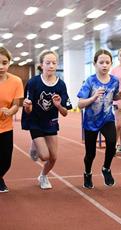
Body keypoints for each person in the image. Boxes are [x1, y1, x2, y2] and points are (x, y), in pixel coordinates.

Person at [22, 50, 72, 190]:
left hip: (51, 122)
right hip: (35, 121)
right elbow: (28, 110)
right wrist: (28, 106)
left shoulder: (61, 85)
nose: (51, 65)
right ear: (41, 65)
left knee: (54, 157)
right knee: (44, 156)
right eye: (48, 62)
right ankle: (35, 143)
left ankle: (43, 176)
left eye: (54, 63)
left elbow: (65, 113)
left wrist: (58, 105)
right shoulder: (33, 83)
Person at [77, 49, 121, 189]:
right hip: (90, 122)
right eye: (101, 62)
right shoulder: (90, 81)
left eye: (107, 62)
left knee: (111, 143)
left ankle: (106, 168)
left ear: (111, 64)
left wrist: (118, 96)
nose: (104, 65)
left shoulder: (115, 81)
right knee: (90, 153)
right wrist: (94, 97)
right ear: (95, 64)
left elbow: (113, 96)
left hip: (107, 118)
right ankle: (87, 172)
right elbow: (80, 104)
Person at [0, 47, 24, 193]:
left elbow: (16, 105)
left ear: (9, 63)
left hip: (6, 126)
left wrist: (10, 111)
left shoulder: (16, 81)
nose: (1, 66)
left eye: (4, 62)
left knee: (6, 161)